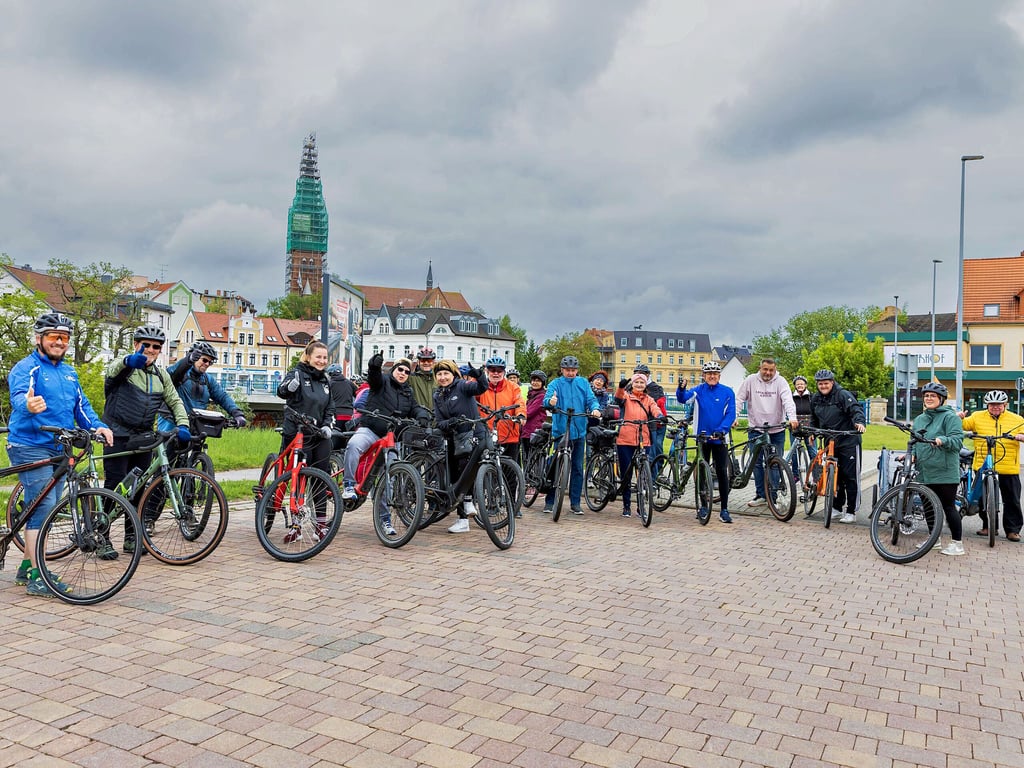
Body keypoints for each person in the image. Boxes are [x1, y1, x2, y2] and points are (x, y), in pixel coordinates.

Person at [6, 313, 115, 597]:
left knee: (49, 503)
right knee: (43, 506)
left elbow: (82, 407)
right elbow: (18, 395)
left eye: (64, 338)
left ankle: (27, 566)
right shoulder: (27, 367)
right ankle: (37, 576)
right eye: (53, 336)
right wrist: (27, 404)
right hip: (29, 444)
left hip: (58, 447)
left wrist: (99, 426)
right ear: (39, 339)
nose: (59, 342)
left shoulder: (69, 372)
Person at [102, 325, 191, 552]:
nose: (151, 349)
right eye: (146, 345)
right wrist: (130, 361)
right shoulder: (126, 366)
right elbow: (112, 370)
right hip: (117, 434)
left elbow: (175, 401)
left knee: (138, 490)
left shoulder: (161, 375)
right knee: (114, 486)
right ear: (136, 344)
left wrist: (183, 425)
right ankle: (101, 535)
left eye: (156, 347)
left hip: (143, 437)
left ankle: (131, 537)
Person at [341, 354, 431, 517]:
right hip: (371, 430)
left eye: (406, 371)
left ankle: (385, 520)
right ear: (393, 370)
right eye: (400, 369)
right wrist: (374, 366)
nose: (403, 373)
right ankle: (348, 484)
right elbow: (374, 378)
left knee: (388, 476)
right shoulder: (382, 382)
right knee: (354, 445)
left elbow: (415, 408)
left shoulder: (408, 393)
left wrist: (422, 415)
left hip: (390, 438)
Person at [277, 341, 335, 540]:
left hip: (318, 434)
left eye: (325, 357)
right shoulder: (297, 373)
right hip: (298, 432)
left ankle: (320, 525)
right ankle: (296, 526)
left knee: (320, 478)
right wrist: (289, 387)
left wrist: (327, 424)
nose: (322, 361)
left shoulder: (326, 380)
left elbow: (330, 407)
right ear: (308, 357)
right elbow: (281, 391)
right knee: (299, 477)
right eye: (318, 357)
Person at [158, 341, 246, 453]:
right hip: (171, 421)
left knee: (194, 457)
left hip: (196, 424)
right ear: (194, 357)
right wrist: (188, 360)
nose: (207, 364)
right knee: (167, 459)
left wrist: (237, 413)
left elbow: (222, 397)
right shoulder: (182, 374)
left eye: (210, 362)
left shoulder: (207, 380)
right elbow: (173, 372)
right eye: (204, 360)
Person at [734, 358, 798, 508]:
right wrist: (734, 417)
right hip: (756, 429)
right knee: (756, 463)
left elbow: (788, 400)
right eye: (765, 369)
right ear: (760, 368)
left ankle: (773, 497)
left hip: (776, 429)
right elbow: (739, 399)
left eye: (771, 370)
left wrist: (792, 417)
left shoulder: (781, 382)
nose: (768, 373)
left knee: (774, 462)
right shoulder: (750, 380)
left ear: (775, 370)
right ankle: (761, 495)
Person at [961, 389, 1024, 542]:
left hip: (1008, 466)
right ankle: (989, 527)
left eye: (999, 405)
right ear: (987, 405)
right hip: (984, 465)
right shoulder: (977, 417)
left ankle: (1012, 530)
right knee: (984, 499)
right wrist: (959, 418)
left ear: (1005, 405)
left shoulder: (1017, 419)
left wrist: (1020, 437)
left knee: (1012, 499)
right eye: (992, 405)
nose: (995, 407)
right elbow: (962, 425)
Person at [433, 359, 488, 532]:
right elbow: (439, 422)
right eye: (439, 374)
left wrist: (478, 375)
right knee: (457, 476)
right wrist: (451, 422)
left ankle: (469, 500)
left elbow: (481, 387)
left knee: (471, 468)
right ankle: (462, 519)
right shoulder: (437, 395)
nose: (443, 377)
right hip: (453, 438)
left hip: (474, 433)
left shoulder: (463, 386)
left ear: (453, 374)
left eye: (446, 373)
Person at [543, 355, 602, 515]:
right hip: (561, 430)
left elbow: (591, 399)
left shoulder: (582, 383)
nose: (570, 373)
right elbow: (547, 399)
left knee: (577, 468)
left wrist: (595, 409)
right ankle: (550, 500)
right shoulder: (555, 383)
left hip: (579, 430)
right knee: (557, 465)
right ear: (562, 370)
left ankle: (575, 503)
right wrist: (551, 402)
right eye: (567, 370)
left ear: (577, 370)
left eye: (573, 370)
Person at [912, 382, 965, 555]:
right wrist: (912, 454)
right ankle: (933, 539)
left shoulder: (951, 417)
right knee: (928, 507)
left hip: (944, 471)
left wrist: (944, 439)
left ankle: (957, 544)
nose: (929, 398)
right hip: (924, 470)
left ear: (941, 399)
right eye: (926, 396)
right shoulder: (920, 419)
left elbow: (957, 441)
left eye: (933, 396)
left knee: (948, 507)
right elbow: (915, 440)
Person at [682, 361, 736, 524]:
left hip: (719, 438)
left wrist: (722, 430)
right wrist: (681, 388)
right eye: (708, 373)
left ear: (719, 375)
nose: (712, 376)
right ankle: (703, 506)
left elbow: (731, 413)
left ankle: (724, 510)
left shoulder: (727, 392)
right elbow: (683, 399)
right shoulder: (698, 391)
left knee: (721, 472)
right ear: (704, 376)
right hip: (702, 437)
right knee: (702, 473)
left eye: (715, 373)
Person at [808, 369, 865, 523]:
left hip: (848, 440)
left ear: (832, 382)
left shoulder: (842, 395)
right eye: (820, 384)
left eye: (826, 383)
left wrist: (859, 422)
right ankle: (837, 507)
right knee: (835, 476)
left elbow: (856, 410)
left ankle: (851, 510)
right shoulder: (815, 399)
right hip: (830, 440)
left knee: (850, 476)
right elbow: (813, 418)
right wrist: (812, 432)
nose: (823, 386)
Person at [613, 373, 665, 517]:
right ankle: (626, 505)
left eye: (642, 383)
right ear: (633, 384)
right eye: (637, 383)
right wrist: (621, 387)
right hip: (625, 439)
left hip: (644, 439)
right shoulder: (627, 397)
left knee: (642, 474)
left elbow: (655, 409)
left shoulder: (649, 399)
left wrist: (660, 416)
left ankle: (641, 506)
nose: (640, 385)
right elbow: (618, 398)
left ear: (645, 385)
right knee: (626, 474)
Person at [477, 356, 526, 461]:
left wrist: (521, 414)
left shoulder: (513, 387)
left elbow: (519, 402)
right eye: (492, 370)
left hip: (509, 434)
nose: (496, 373)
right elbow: (471, 399)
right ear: (487, 371)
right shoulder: (481, 387)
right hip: (487, 435)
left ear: (504, 372)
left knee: (510, 473)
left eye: (499, 370)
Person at [635, 363, 667, 457]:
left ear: (648, 375)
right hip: (641, 423)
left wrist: (659, 416)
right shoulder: (631, 387)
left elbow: (656, 405)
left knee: (656, 447)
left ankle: (658, 469)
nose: (639, 376)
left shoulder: (656, 388)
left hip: (656, 423)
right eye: (637, 373)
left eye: (642, 373)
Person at [790, 375, 817, 482]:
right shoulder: (791, 397)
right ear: (795, 386)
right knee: (794, 452)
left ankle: (816, 476)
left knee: (812, 452)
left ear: (805, 385)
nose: (800, 385)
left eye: (802, 384)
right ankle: (795, 475)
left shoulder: (812, 396)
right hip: (795, 426)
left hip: (809, 427)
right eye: (798, 384)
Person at [325, 363, 357, 436]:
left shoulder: (329, 384)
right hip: (349, 416)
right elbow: (359, 395)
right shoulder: (350, 383)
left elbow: (324, 400)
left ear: (330, 374)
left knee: (335, 440)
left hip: (336, 416)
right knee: (347, 439)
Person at [409, 347, 437, 413]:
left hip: (437, 420)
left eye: (429, 360)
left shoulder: (440, 379)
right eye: (423, 360)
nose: (426, 363)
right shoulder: (412, 378)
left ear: (433, 362)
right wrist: (407, 362)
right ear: (418, 362)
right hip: (418, 420)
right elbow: (394, 378)